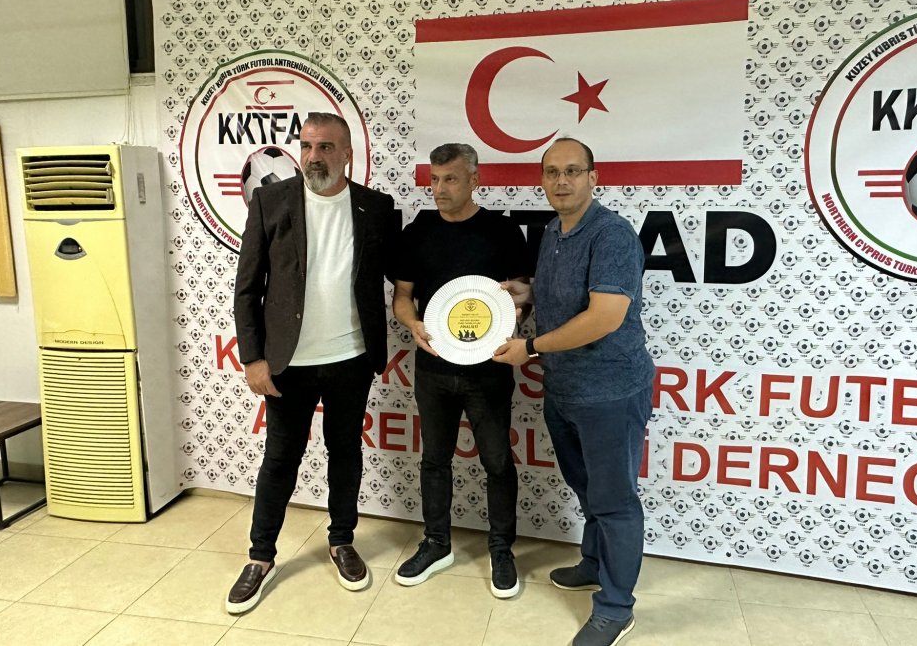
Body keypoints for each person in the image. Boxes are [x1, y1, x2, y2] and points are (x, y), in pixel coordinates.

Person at [226, 112, 395, 613]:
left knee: (345, 453)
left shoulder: (376, 207)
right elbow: (247, 288)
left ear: (347, 154)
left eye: (325, 147)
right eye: (306, 146)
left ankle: (342, 541)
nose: (313, 156)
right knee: (280, 460)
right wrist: (253, 359)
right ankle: (260, 557)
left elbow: (402, 273)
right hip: (288, 364)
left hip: (351, 358)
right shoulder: (271, 201)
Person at [494, 138, 654, 646]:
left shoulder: (612, 235)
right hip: (564, 389)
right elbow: (560, 295)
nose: (561, 181)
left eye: (572, 171)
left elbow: (605, 317)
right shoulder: (552, 231)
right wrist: (524, 294)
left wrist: (530, 347)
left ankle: (616, 608)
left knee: (615, 501)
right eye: (551, 172)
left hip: (610, 391)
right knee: (587, 488)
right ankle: (594, 563)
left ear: (592, 177)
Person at [392, 143, 530, 598]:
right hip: (433, 367)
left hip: (489, 370)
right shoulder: (418, 231)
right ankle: (436, 543)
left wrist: (516, 313)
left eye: (450, 179)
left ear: (474, 179)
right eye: (434, 180)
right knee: (434, 459)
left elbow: (522, 296)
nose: (439, 189)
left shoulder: (503, 232)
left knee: (497, 461)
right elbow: (403, 297)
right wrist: (412, 323)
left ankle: (501, 549)